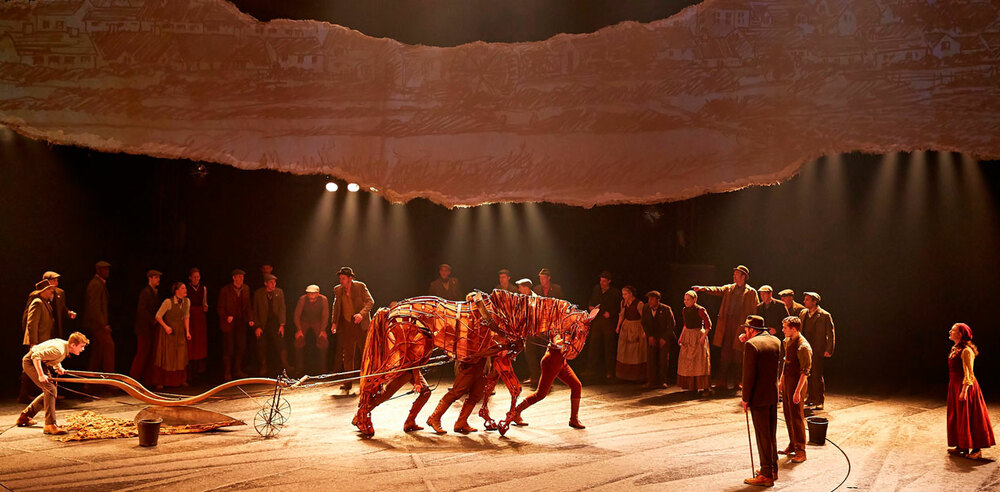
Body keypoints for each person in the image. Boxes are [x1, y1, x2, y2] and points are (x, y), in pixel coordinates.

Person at [693, 265, 759, 391]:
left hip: (741, 325)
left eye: (736, 274)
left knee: (738, 354)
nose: (734, 276)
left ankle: (737, 381)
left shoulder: (751, 292)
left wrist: (751, 329)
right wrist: (703, 289)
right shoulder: (729, 288)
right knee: (725, 354)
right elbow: (717, 289)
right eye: (734, 274)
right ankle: (721, 381)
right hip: (728, 324)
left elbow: (754, 310)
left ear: (743, 276)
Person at [16, 332, 90, 435]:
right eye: (81, 346)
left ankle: (25, 417)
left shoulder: (64, 347)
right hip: (31, 362)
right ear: (73, 345)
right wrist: (41, 375)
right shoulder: (59, 350)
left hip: (41, 362)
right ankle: (50, 425)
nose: (82, 349)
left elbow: (52, 357)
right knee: (50, 390)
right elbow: (35, 356)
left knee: (50, 391)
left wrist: (58, 367)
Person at [740, 315, 781, 487]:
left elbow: (748, 374)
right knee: (771, 434)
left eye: (746, 329)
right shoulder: (775, 340)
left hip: (758, 397)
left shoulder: (751, 345)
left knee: (762, 435)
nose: (744, 333)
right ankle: (772, 469)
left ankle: (766, 475)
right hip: (772, 394)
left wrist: (745, 398)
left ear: (752, 330)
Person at [508, 342, 586, 430]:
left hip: (561, 361)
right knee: (540, 394)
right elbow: (555, 340)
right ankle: (516, 412)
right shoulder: (556, 328)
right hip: (551, 361)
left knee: (576, 385)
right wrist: (565, 344)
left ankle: (573, 419)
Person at [946, 323, 994, 460]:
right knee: (958, 416)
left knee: (970, 416)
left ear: (960, 334)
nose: (950, 331)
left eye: (953, 330)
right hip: (954, 386)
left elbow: (969, 373)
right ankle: (962, 446)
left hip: (966, 387)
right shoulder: (955, 348)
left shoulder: (966, 351)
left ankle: (977, 449)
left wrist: (964, 390)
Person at [332, 267, 374, 394]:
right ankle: (348, 383)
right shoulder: (338, 290)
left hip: (361, 326)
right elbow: (336, 307)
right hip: (347, 326)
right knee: (348, 355)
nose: (341, 281)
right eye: (340, 278)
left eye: (343, 278)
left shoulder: (360, 287)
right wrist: (334, 323)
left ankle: (369, 381)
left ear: (350, 279)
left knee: (365, 354)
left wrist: (361, 314)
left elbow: (370, 302)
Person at [778, 316, 811, 463]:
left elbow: (805, 372)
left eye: (785, 327)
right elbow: (786, 362)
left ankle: (801, 450)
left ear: (794, 329)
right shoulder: (787, 341)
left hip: (797, 383)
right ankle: (792, 444)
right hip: (788, 382)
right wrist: (781, 380)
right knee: (788, 414)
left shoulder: (803, 347)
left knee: (796, 417)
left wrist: (797, 391)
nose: (783, 330)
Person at [426, 358, 488, 434]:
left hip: (481, 366)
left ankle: (462, 422)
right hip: (470, 365)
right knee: (456, 392)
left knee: (476, 394)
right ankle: (434, 418)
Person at [799, 292, 834, 410]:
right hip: (806, 349)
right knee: (807, 374)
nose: (804, 301)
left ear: (814, 302)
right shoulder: (803, 313)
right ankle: (811, 397)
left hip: (817, 348)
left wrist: (829, 349)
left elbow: (830, 333)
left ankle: (819, 400)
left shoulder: (824, 315)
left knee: (816, 375)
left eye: (807, 300)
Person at [152, 282, 191, 388]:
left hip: (180, 331)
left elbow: (186, 316)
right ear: (176, 290)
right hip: (169, 332)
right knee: (168, 356)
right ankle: (163, 381)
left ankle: (181, 379)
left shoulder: (187, 301)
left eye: (185, 288)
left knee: (181, 355)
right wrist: (166, 327)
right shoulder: (168, 302)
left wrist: (187, 331)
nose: (185, 290)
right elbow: (158, 316)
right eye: (183, 288)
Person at [218, 269, 252, 380]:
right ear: (234, 278)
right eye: (238, 277)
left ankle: (237, 370)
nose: (241, 279)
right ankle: (227, 372)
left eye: (242, 277)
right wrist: (226, 316)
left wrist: (250, 319)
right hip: (229, 323)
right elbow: (220, 307)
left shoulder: (246, 289)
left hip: (241, 322)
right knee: (229, 348)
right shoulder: (225, 290)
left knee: (241, 347)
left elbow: (248, 306)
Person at [587, 270, 621, 381]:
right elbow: (593, 301)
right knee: (594, 344)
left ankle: (610, 371)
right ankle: (591, 369)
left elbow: (617, 308)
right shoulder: (596, 289)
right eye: (601, 281)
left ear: (609, 281)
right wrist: (591, 306)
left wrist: (610, 313)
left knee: (609, 346)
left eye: (604, 281)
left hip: (608, 322)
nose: (602, 283)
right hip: (597, 320)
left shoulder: (614, 293)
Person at [252, 274, 288, 376]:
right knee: (261, 344)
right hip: (262, 322)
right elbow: (255, 310)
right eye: (271, 282)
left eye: (274, 282)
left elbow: (282, 308)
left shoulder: (279, 292)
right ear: (266, 283)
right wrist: (257, 327)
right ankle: (263, 366)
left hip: (274, 322)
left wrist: (282, 324)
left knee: (280, 342)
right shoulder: (259, 293)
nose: (273, 284)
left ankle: (285, 365)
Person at [677, 290, 712, 395]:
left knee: (699, 361)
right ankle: (692, 387)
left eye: (688, 300)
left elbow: (708, 325)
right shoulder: (684, 310)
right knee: (688, 361)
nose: (686, 302)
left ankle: (704, 387)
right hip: (688, 334)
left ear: (694, 300)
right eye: (685, 299)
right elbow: (685, 324)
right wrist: (681, 336)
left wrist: (703, 337)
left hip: (697, 335)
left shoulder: (700, 310)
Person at [129, 270, 161, 385]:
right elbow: (141, 310)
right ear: (150, 278)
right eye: (156, 277)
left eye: (158, 277)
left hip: (150, 329)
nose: (158, 280)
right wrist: (152, 319)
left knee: (148, 354)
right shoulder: (145, 292)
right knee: (142, 353)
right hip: (143, 328)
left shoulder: (154, 292)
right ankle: (133, 379)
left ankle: (146, 380)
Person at [84, 260, 114, 374]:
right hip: (98, 325)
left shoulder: (99, 283)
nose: (107, 272)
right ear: (98, 270)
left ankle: (90, 382)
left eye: (108, 269)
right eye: (105, 269)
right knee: (109, 349)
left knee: (98, 352)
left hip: (97, 324)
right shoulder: (96, 284)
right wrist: (103, 325)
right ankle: (110, 382)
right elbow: (95, 307)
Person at [641, 290, 676, 389]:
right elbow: (644, 323)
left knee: (663, 359)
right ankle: (651, 381)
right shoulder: (646, 308)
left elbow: (671, 325)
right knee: (651, 358)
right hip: (652, 336)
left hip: (664, 336)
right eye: (649, 299)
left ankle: (662, 381)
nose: (650, 301)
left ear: (658, 300)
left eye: (652, 299)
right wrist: (650, 336)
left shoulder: (666, 309)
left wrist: (664, 338)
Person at [293, 284, 329, 375]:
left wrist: (322, 330)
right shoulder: (302, 299)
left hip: (317, 321)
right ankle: (298, 369)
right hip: (305, 321)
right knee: (298, 341)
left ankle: (323, 369)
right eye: (309, 294)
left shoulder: (323, 299)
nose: (311, 296)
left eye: (313, 294)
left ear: (318, 293)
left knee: (323, 341)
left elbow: (325, 315)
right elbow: (297, 315)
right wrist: (299, 330)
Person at [515, 278, 542, 386]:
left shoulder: (535, 299)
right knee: (529, 354)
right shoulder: (522, 298)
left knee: (533, 354)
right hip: (527, 330)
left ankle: (537, 378)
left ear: (526, 288)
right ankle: (534, 376)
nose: (519, 289)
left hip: (535, 331)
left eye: (520, 287)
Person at [615, 285, 646, 382]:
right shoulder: (623, 303)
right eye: (623, 294)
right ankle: (624, 376)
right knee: (624, 350)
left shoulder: (639, 304)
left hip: (636, 326)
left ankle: (637, 376)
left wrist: (644, 331)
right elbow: (622, 315)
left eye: (625, 294)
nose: (623, 296)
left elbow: (644, 318)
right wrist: (618, 326)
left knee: (635, 351)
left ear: (631, 294)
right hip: (626, 326)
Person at [186, 268, 209, 381]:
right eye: (194, 277)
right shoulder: (186, 288)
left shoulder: (203, 288)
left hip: (200, 317)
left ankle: (199, 371)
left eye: (198, 277)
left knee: (200, 344)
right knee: (191, 345)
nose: (196, 279)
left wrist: (205, 307)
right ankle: (189, 371)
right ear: (190, 277)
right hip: (190, 316)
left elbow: (205, 302)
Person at [41, 271, 76, 340]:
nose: (56, 283)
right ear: (46, 282)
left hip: (56, 328)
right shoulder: (40, 294)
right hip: (43, 329)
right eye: (53, 281)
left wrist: (69, 313)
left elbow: (62, 307)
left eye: (57, 281)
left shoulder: (60, 293)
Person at [23, 280, 56, 347]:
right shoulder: (38, 302)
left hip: (43, 341)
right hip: (37, 342)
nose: (51, 291)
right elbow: (32, 324)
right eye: (49, 289)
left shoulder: (45, 302)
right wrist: (33, 343)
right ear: (43, 291)